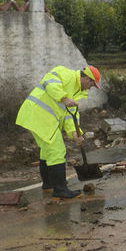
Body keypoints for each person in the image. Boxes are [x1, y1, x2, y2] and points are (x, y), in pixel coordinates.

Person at [16, 65, 101, 199]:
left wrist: (75, 132)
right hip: (37, 115)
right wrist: (63, 98)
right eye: (92, 84)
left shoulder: (78, 92)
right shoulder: (65, 73)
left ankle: (49, 184)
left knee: (46, 151)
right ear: (86, 78)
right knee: (57, 150)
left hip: (42, 118)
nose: (91, 88)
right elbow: (48, 82)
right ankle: (60, 190)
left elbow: (70, 115)